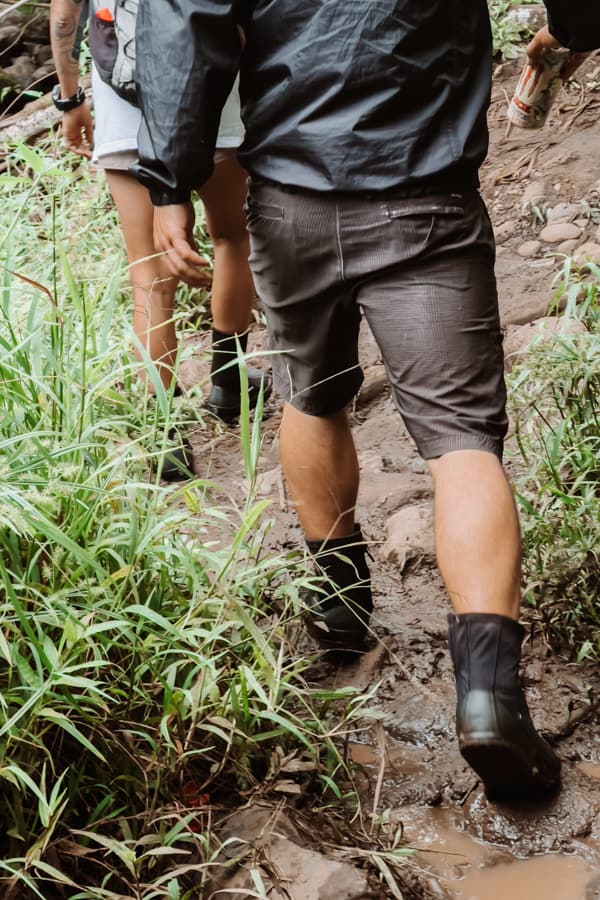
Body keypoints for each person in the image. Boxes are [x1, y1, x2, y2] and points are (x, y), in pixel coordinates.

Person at [132, 1, 600, 799]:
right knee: (461, 440)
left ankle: (339, 606)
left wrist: (169, 176)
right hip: (427, 192)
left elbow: (186, 17)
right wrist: (574, 30)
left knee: (310, 397)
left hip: (290, 197)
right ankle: (488, 698)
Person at [49, 0, 271, 479]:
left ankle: (165, 434)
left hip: (123, 98)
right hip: (213, 95)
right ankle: (230, 382)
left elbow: (65, 17)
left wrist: (70, 100)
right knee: (232, 238)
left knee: (148, 277)